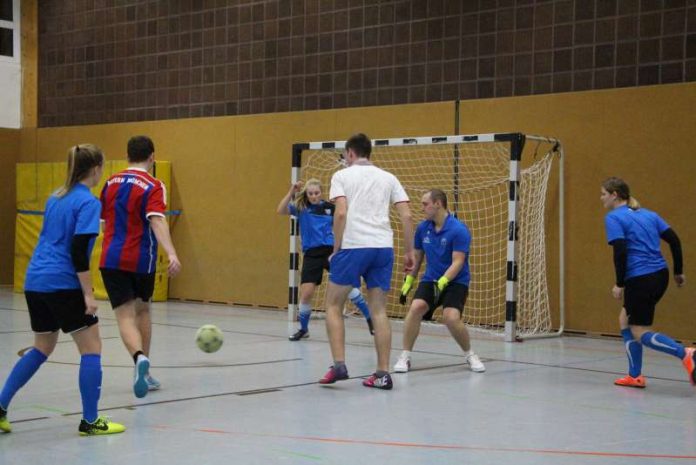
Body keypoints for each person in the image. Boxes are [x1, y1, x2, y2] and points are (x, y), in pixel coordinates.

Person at [0, 145, 125, 436]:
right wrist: (89, 295)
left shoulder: (55, 197)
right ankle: (91, 421)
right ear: (95, 168)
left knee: (42, 347)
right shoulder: (89, 203)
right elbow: (79, 251)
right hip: (63, 282)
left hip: (36, 280)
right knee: (92, 347)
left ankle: (1, 406)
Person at [319, 133, 414, 390]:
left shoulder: (342, 176)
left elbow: (340, 213)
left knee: (333, 305)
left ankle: (339, 364)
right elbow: (406, 216)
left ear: (350, 154)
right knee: (379, 310)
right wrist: (409, 252)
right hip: (383, 248)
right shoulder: (389, 177)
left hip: (353, 247)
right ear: (368, 152)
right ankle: (382, 373)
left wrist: (336, 247)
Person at [99, 135, 181, 399]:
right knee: (142, 310)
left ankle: (138, 359)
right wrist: (171, 253)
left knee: (124, 315)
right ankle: (143, 366)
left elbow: (102, 223)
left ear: (127, 156)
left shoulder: (110, 182)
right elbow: (157, 220)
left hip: (111, 258)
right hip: (140, 259)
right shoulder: (154, 185)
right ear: (152, 157)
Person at [600, 177, 694, 388]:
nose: (601, 198)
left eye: (603, 194)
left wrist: (619, 283)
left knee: (639, 330)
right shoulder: (650, 215)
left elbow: (621, 252)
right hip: (660, 275)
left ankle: (686, 353)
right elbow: (675, 241)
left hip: (640, 277)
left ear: (615, 195)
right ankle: (635, 376)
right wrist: (678, 272)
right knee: (625, 319)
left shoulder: (614, 218)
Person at [394, 189, 485, 373]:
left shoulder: (458, 230)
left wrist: (443, 281)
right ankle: (405, 356)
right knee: (416, 308)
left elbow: (458, 261)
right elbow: (418, 258)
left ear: (438, 204)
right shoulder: (422, 228)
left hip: (456, 281)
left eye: (425, 204)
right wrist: (409, 281)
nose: (422, 208)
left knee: (450, 318)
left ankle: (470, 354)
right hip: (431, 279)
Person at [277, 179, 373, 341]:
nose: (314, 196)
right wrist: (291, 191)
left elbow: (344, 223)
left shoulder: (330, 208)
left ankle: (371, 319)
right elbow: (280, 210)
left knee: (346, 287)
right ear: (306, 194)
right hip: (311, 255)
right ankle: (304, 329)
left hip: (330, 252)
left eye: (316, 193)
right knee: (306, 293)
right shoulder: (301, 208)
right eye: (310, 193)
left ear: (321, 192)